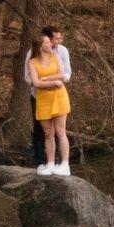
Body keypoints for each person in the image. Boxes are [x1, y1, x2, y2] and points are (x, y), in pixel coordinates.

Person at [24, 27, 71, 167]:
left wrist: (47, 80)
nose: (58, 41)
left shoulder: (61, 52)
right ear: (47, 39)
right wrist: (45, 82)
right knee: (42, 130)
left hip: (57, 94)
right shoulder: (32, 56)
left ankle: (59, 162)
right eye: (56, 38)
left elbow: (65, 74)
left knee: (59, 130)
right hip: (39, 96)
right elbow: (29, 78)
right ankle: (40, 162)